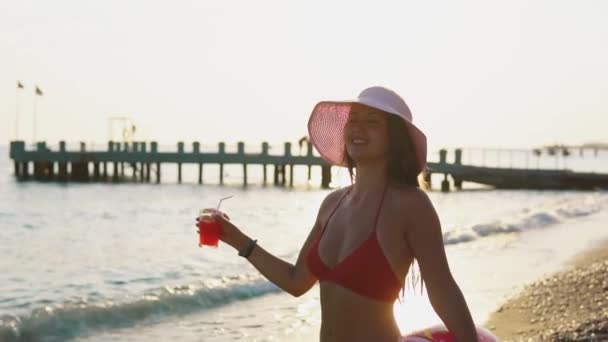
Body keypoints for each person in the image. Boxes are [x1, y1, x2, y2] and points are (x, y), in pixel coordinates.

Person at [198, 86, 478, 341]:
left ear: (394, 138)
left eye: (372, 122)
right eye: (353, 120)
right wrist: (234, 238)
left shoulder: (410, 204)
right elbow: (296, 281)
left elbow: (442, 290)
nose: (358, 128)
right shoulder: (332, 204)